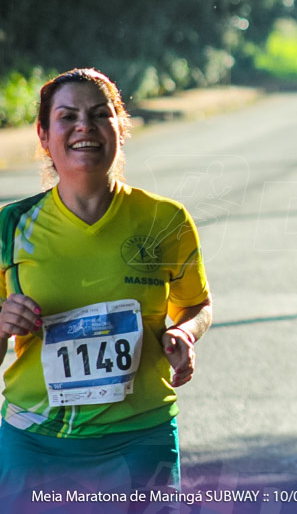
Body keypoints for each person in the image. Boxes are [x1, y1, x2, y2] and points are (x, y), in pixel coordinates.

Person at [0, 68, 213, 498]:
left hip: (139, 436)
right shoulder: (11, 227)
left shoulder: (165, 220)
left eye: (100, 114)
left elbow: (198, 305)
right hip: (36, 439)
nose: (85, 126)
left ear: (121, 127)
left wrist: (184, 332)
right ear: (43, 135)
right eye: (67, 116)